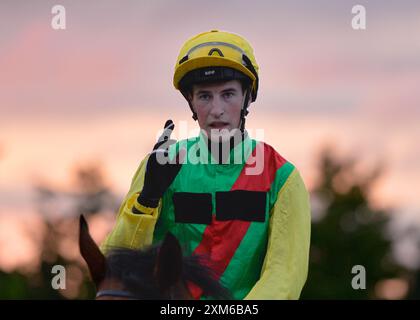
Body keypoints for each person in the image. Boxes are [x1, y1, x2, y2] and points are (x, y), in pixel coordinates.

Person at [101, 30, 311, 300]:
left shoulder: (284, 178)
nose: (216, 109)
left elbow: (284, 277)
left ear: (247, 97)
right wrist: (147, 200)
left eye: (228, 94)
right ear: (191, 102)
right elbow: (117, 267)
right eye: (204, 96)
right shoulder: (162, 164)